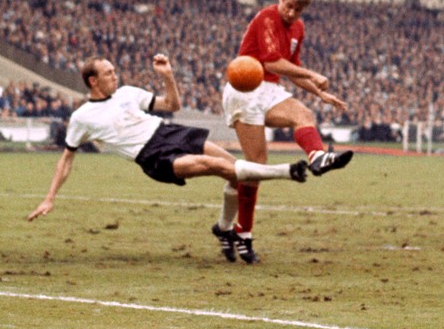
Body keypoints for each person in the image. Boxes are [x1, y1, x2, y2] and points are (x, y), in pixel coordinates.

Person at [27, 54, 307, 249]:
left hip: (169, 132)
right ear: (93, 81)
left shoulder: (128, 92)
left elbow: (172, 105)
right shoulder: (82, 117)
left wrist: (168, 77)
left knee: (235, 172)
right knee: (213, 165)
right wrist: (49, 198)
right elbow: (66, 159)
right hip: (153, 156)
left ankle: (223, 228)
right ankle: (287, 172)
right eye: (108, 73)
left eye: (114, 71)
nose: (115, 75)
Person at [221, 0, 352, 264]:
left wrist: (320, 92)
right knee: (255, 168)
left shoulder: (298, 29)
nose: (291, 13)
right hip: (244, 90)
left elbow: (290, 70)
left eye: (297, 10)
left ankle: (317, 157)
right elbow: (271, 62)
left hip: (268, 90)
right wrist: (315, 75)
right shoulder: (266, 17)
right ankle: (242, 234)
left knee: (304, 114)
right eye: (288, 6)